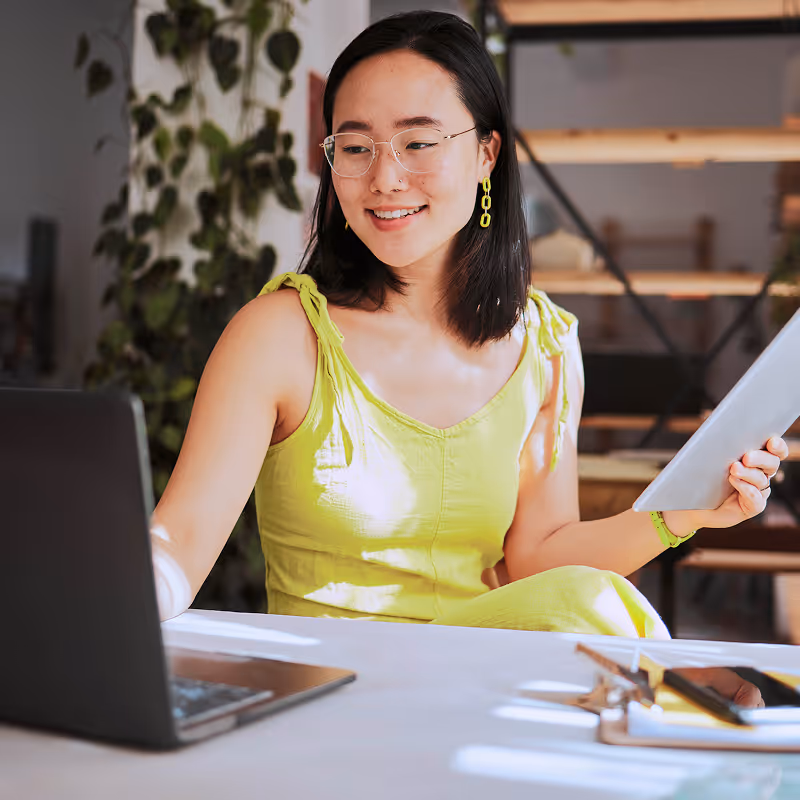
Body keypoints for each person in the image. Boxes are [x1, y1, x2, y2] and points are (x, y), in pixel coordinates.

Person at [150, 11, 788, 638]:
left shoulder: (544, 345)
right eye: (355, 148)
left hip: (480, 678)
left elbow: (538, 560)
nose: (384, 179)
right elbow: (180, 543)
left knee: (592, 603)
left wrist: (679, 515)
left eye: (418, 143)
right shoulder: (280, 335)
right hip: (328, 679)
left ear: (487, 153)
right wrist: (121, 595)